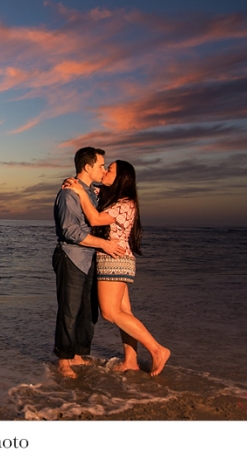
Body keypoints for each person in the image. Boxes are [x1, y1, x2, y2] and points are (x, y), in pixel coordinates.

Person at [64, 160, 170, 376]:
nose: (104, 172)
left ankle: (157, 350)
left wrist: (80, 193)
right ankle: (130, 360)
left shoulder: (125, 204)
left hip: (114, 260)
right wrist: (76, 184)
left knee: (110, 313)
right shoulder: (117, 199)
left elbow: (94, 219)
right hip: (118, 259)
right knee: (124, 312)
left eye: (109, 169)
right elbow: (87, 188)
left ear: (121, 177)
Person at [53, 147, 126, 379]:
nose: (103, 171)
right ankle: (63, 360)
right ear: (87, 167)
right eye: (101, 166)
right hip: (72, 256)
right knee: (69, 310)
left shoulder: (93, 192)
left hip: (91, 258)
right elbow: (69, 231)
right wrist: (103, 244)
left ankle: (78, 354)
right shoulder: (68, 194)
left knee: (88, 311)